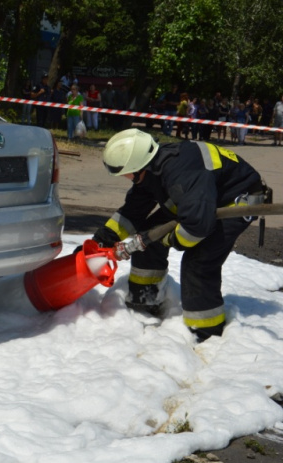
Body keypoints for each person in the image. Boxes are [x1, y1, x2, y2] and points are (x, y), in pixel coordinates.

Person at [93, 129, 265, 342]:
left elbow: (197, 227)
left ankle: (205, 333)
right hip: (200, 201)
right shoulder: (152, 169)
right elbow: (133, 211)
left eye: (124, 173)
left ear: (138, 167)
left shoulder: (182, 173)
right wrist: (101, 240)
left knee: (199, 262)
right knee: (148, 237)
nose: (124, 178)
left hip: (234, 203)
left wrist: (167, 238)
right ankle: (145, 301)